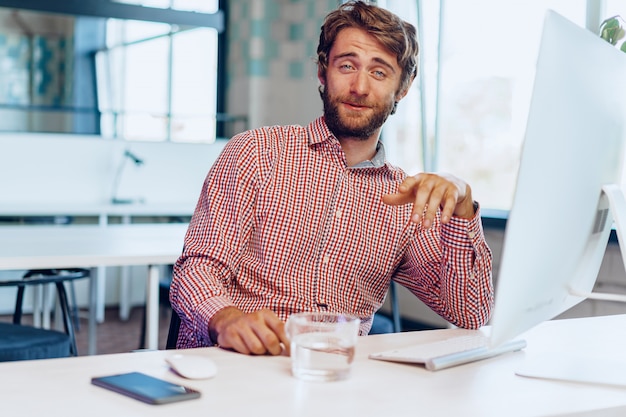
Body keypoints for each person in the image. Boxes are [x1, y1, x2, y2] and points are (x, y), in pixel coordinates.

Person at [170, 0, 493, 355]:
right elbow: (196, 269)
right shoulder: (256, 152)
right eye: (347, 65)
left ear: (403, 87)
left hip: (332, 379)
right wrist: (225, 318)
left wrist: (463, 205)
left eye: (379, 72)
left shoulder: (405, 199)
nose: (359, 86)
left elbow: (470, 313)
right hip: (231, 365)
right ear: (323, 73)